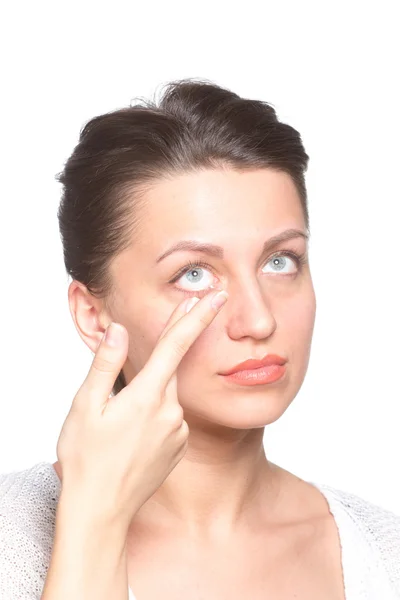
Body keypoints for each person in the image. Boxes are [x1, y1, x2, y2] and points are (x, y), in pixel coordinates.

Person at [0, 79, 399, 600]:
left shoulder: (382, 552)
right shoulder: (13, 541)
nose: (257, 321)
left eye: (280, 261)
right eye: (194, 274)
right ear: (95, 316)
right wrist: (93, 521)